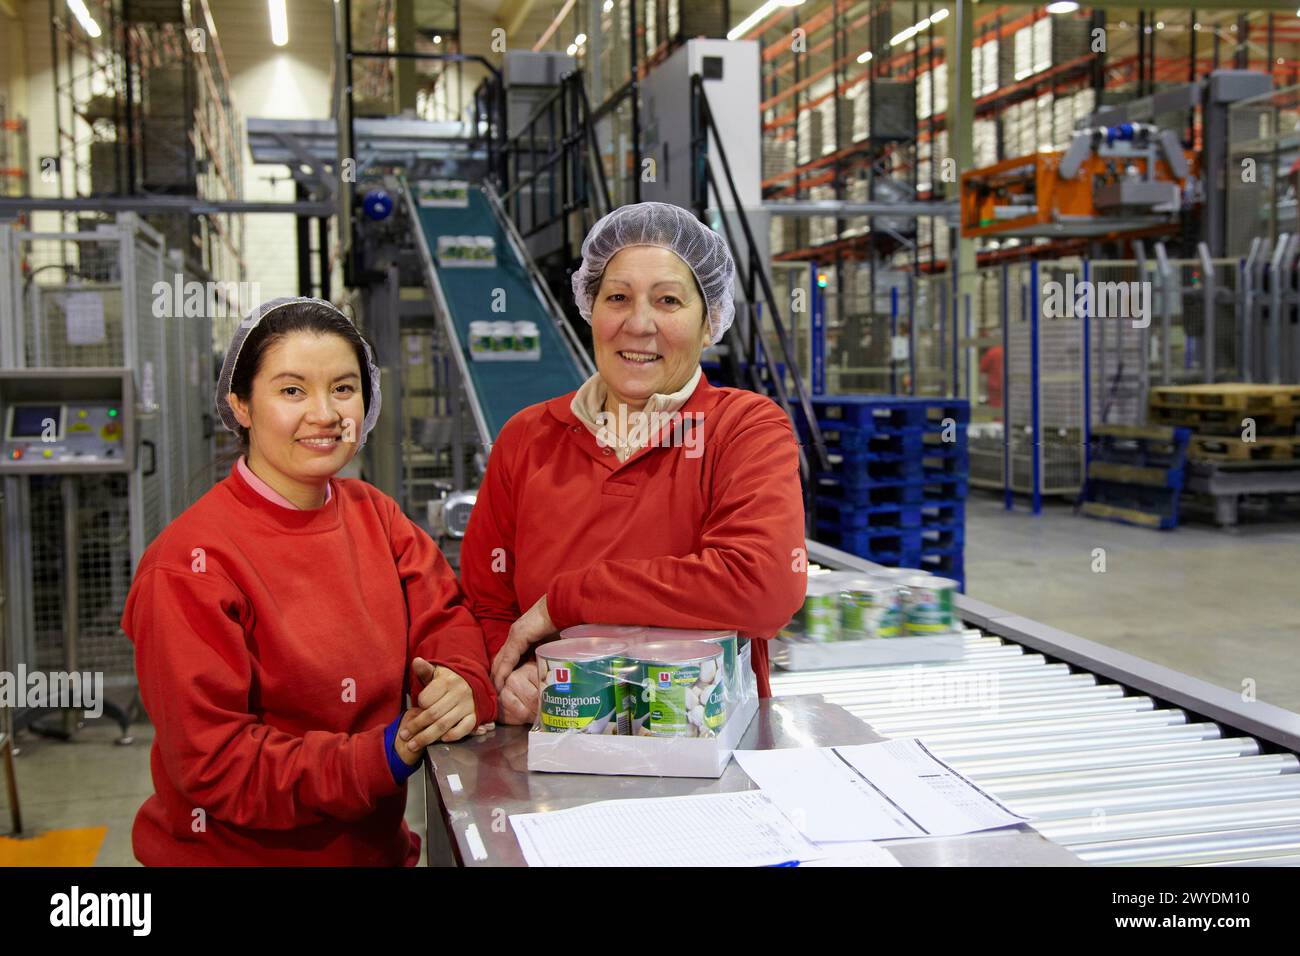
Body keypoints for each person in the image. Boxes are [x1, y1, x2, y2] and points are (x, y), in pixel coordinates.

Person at [121, 297, 496, 865]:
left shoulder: (375, 515)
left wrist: (459, 681)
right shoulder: (189, 566)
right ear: (241, 405)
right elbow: (215, 763)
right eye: (292, 391)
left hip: (375, 852)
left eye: (343, 389)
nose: (324, 413)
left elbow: (444, 615)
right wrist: (378, 757)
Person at [459, 202, 807, 724]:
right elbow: (485, 602)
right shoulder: (528, 438)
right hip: (557, 745)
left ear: (709, 322)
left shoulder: (744, 428)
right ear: (590, 309)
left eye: (668, 301)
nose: (638, 324)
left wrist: (567, 602)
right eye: (617, 297)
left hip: (704, 750)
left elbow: (762, 586)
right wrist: (511, 672)